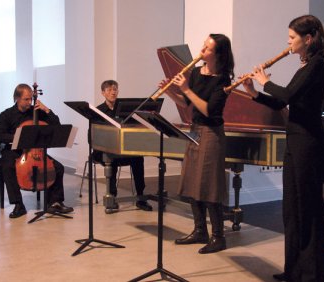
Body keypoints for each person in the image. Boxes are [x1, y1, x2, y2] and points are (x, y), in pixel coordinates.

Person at [242, 15, 324, 281]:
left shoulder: (317, 66)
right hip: (295, 140)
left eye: (292, 38)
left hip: (309, 143)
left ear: (308, 39)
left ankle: (313, 274)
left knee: (308, 208)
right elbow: (283, 105)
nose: (288, 42)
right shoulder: (305, 66)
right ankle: (295, 270)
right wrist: (254, 93)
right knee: (292, 209)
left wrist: (263, 80)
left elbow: (288, 95)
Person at [160, 34, 234, 254]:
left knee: (209, 185)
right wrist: (172, 92)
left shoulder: (223, 80)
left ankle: (218, 237)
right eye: (203, 46)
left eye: (208, 49)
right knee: (192, 181)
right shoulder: (195, 72)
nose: (202, 51)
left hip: (212, 133)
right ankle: (200, 230)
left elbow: (209, 110)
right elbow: (187, 103)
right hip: (195, 131)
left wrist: (185, 89)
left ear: (219, 54)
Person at [0, 83, 74, 219]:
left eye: (30, 99)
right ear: (17, 98)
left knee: (58, 168)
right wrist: (18, 137)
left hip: (35, 151)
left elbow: (56, 125)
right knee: (8, 167)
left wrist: (46, 110)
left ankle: (54, 202)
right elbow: (0, 135)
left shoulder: (37, 111)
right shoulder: (6, 115)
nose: (29, 102)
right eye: (26, 99)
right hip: (14, 150)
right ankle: (18, 205)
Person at [93, 80, 153, 212]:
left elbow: (131, 128)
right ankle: (112, 198)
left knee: (138, 158)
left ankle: (141, 198)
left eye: (115, 89)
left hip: (122, 148)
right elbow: (92, 135)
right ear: (103, 93)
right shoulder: (98, 111)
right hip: (104, 149)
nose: (113, 92)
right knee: (111, 158)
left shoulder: (125, 108)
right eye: (109, 90)